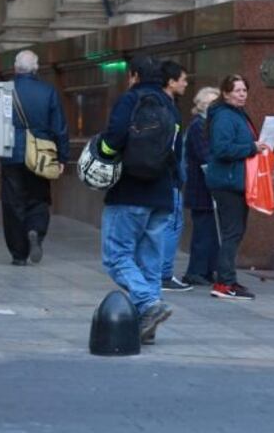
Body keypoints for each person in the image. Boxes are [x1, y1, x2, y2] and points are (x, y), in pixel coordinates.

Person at [98, 55, 182, 344]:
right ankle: (147, 328)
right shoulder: (169, 104)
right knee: (150, 262)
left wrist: (103, 155)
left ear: (133, 75)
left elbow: (114, 138)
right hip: (162, 194)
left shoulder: (130, 99)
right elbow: (175, 151)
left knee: (116, 256)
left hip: (129, 191)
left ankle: (148, 304)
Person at [1, 49, 69, 266]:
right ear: (36, 68)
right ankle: (35, 231)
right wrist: (62, 157)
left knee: (13, 203)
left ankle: (19, 254)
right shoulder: (48, 92)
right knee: (39, 198)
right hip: (41, 154)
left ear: (15, 68)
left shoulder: (4, 92)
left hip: (10, 153)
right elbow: (59, 127)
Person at [204, 74, 267, 301]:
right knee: (232, 233)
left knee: (235, 232)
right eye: (238, 90)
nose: (242, 94)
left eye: (245, 90)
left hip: (236, 181)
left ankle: (227, 279)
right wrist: (251, 147)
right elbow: (222, 149)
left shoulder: (235, 114)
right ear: (226, 93)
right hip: (227, 182)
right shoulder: (224, 116)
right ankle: (224, 283)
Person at [158, 60, 192, 292]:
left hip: (160, 173)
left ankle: (158, 271)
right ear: (170, 82)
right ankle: (164, 274)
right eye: (183, 79)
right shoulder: (168, 108)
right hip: (167, 174)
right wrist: (176, 172)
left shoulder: (160, 103)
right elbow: (170, 145)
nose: (186, 83)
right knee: (173, 222)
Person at [182, 86, 221, 286]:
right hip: (201, 188)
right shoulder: (198, 125)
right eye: (210, 103)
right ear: (201, 105)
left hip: (207, 187)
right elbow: (204, 155)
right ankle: (195, 271)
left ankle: (207, 270)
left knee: (211, 232)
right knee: (203, 233)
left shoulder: (208, 124)